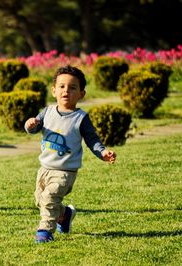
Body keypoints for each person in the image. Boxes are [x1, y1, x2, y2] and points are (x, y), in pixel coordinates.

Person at [24, 65, 116, 243]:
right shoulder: (47, 112)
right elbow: (34, 129)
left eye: (72, 88)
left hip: (65, 171)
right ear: (54, 90)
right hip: (44, 169)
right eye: (62, 86)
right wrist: (30, 125)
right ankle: (65, 214)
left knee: (50, 198)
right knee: (40, 201)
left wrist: (103, 152)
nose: (66, 91)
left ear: (81, 94)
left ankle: (45, 232)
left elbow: (92, 140)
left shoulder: (81, 118)